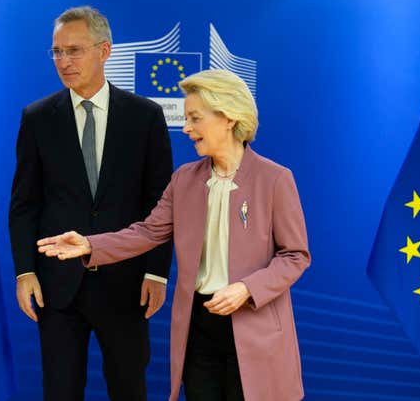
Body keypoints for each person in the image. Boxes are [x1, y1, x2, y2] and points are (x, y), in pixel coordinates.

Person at [37, 69, 311, 401]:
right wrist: (89, 244)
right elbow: (147, 232)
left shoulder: (276, 180)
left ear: (228, 118)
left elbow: (295, 256)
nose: (186, 128)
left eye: (195, 118)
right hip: (199, 328)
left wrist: (247, 288)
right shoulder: (184, 180)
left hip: (255, 326)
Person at [8, 6, 173, 401]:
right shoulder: (37, 118)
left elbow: (161, 204)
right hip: (58, 287)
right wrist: (24, 271)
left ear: (105, 51)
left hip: (126, 283)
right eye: (57, 52)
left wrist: (156, 273)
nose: (64, 61)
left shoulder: (145, 116)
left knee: (128, 389)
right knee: (60, 392)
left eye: (74, 50)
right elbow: (24, 203)